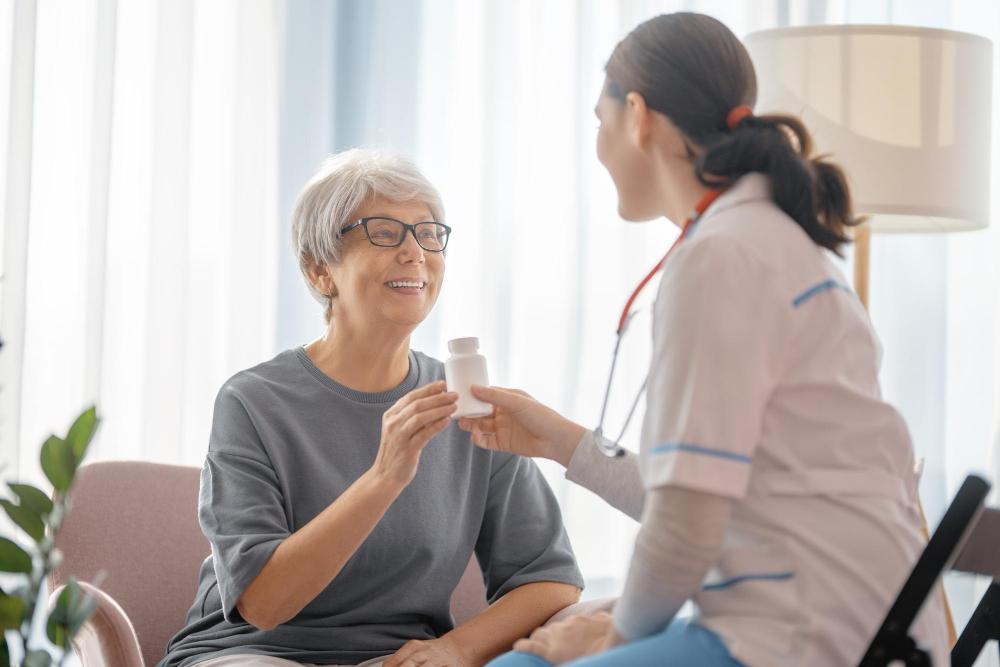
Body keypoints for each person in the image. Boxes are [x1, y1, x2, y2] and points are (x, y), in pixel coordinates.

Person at [463, 12, 950, 667]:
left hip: (800, 634)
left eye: (599, 122)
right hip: (857, 617)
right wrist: (555, 437)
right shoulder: (773, 242)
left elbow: (688, 518)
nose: (599, 146)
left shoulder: (721, 256)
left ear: (637, 115)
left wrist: (614, 636)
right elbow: (705, 488)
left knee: (520, 665)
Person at [159, 149, 583, 667]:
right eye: (384, 232)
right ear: (320, 272)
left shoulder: (466, 403)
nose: (415, 253)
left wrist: (454, 649)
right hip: (253, 653)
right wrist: (384, 476)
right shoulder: (253, 401)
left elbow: (550, 579)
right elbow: (264, 603)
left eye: (429, 233)